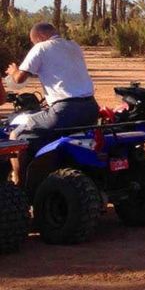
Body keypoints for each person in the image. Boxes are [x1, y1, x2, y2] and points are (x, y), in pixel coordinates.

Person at [4, 22, 100, 183]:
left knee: (16, 135)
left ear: (40, 37)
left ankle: (19, 187)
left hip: (64, 110)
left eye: (33, 41)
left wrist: (13, 72)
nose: (33, 44)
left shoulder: (41, 47)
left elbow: (20, 78)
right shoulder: (73, 45)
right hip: (90, 108)